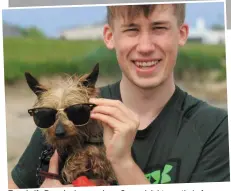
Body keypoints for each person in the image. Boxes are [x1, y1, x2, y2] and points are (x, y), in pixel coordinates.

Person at [8, 3, 229, 188]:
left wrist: (122, 162)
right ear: (110, 36)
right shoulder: (66, 114)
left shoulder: (215, 128)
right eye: (131, 29)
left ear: (181, 34)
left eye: (159, 28)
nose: (145, 47)